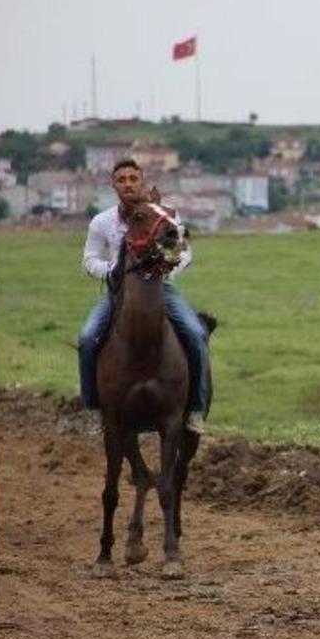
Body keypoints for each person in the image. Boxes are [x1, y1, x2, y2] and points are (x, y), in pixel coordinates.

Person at [78, 158, 212, 433]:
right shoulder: (101, 222)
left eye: (133, 178)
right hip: (119, 293)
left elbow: (184, 252)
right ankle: (93, 408)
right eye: (121, 179)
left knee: (196, 333)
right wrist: (112, 271)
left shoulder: (165, 215)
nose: (128, 184)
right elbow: (89, 260)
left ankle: (196, 408)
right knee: (87, 337)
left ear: (142, 180)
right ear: (113, 185)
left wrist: (167, 269)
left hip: (161, 289)